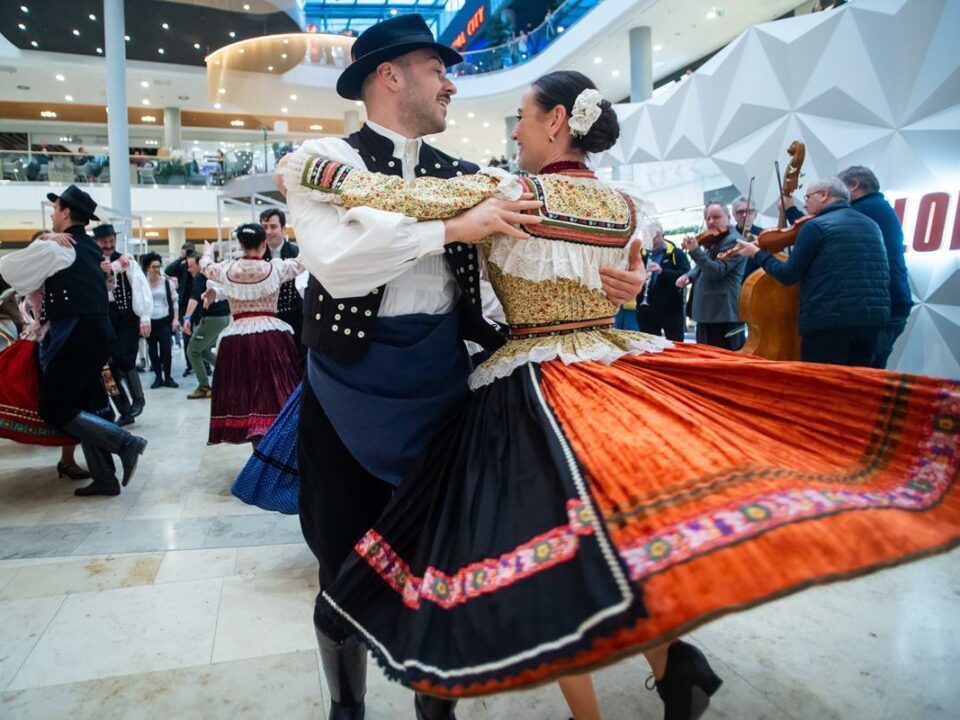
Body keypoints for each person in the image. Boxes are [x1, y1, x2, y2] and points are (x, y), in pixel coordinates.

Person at [283, 70, 960, 720]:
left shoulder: (509, 190)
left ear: (554, 122)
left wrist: (323, 174)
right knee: (622, 525)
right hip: (613, 370)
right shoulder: (630, 207)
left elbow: (411, 202)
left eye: (520, 117)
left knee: (551, 547)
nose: (513, 130)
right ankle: (674, 668)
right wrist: (630, 281)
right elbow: (632, 272)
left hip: (536, 385)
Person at [277, 17, 645, 720]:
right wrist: (449, 230)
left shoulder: (473, 177)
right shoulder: (325, 154)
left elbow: (541, 258)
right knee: (338, 561)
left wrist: (619, 279)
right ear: (391, 76)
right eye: (438, 69)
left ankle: (435, 711)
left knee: (440, 563)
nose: (453, 83)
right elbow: (338, 264)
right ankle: (345, 707)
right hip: (345, 388)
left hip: (444, 385)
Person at [0, 185, 147, 497]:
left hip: (77, 332)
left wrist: (42, 240)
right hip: (96, 331)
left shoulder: (57, 247)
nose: (52, 215)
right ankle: (105, 477)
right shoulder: (91, 247)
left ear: (66, 212)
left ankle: (124, 443)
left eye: (55, 209)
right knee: (87, 403)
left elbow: (8, 268)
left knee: (53, 406)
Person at [735, 177, 891, 366]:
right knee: (856, 387)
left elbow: (788, 275)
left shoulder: (815, 226)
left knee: (823, 388)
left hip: (829, 324)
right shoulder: (871, 225)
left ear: (824, 195)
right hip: (872, 323)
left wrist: (757, 253)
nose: (806, 203)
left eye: (808, 197)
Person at [198, 225, 302, 444]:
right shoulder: (274, 268)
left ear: (240, 245)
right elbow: (301, 263)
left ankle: (255, 442)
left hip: (237, 339)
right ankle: (275, 445)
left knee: (244, 393)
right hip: (271, 337)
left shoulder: (227, 269)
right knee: (274, 392)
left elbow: (205, 266)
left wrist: (208, 251)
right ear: (264, 245)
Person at [0, 272, 88, 479]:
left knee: (70, 401)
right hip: (41, 346)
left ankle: (68, 459)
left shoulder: (63, 279)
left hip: (54, 343)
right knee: (60, 401)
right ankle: (68, 460)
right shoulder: (24, 288)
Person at [837, 165, 913, 369]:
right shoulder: (877, 207)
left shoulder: (864, 210)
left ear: (853, 185)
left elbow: (823, 226)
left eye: (839, 191)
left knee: (862, 376)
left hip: (886, 307)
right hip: (894, 303)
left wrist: (791, 211)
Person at [94, 223, 151, 425]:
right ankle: (123, 409)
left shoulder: (126, 261)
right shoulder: (90, 262)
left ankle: (138, 398)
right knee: (106, 368)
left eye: (111, 241)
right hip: (101, 316)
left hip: (126, 315)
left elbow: (140, 286)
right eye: (104, 242)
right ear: (96, 242)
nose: (109, 245)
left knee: (123, 357)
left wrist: (144, 316)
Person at [676, 202, 746, 350]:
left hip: (722, 313)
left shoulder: (734, 241)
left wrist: (695, 251)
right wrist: (689, 275)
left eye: (716, 217)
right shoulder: (714, 241)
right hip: (708, 314)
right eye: (708, 218)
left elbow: (717, 271)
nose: (711, 222)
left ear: (728, 217)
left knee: (724, 361)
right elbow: (702, 267)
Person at [183, 254, 231, 399]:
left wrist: (186, 318)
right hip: (222, 318)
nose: (189, 270)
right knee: (202, 350)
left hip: (213, 318)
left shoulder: (201, 276)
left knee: (192, 350)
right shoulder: (212, 274)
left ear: (200, 264)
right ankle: (229, 371)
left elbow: (195, 297)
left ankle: (204, 386)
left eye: (191, 266)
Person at [259, 208, 304, 362]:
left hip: (295, 322)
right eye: (264, 227)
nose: (268, 232)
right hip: (266, 324)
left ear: (283, 229)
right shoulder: (257, 257)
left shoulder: (297, 253)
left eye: (273, 226)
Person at [637, 221, 690, 341]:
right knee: (648, 346)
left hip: (671, 309)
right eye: (647, 237)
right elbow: (631, 273)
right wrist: (640, 277)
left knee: (675, 344)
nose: (651, 240)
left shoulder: (676, 254)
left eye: (654, 236)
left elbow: (686, 275)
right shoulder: (641, 255)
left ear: (662, 235)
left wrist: (662, 271)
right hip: (647, 310)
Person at [140, 252, 179, 388]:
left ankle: (168, 376)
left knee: (166, 349)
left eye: (158, 266)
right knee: (152, 350)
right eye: (153, 267)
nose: (157, 269)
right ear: (147, 268)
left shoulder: (167, 282)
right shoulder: (143, 283)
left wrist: (175, 319)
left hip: (164, 320)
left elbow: (174, 301)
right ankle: (158, 376)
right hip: (149, 322)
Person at [165, 242, 196, 376]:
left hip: (198, 303)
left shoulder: (198, 262)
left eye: (190, 252)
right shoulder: (181, 265)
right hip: (184, 304)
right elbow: (168, 271)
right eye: (186, 251)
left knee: (200, 335)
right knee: (186, 335)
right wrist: (180, 258)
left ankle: (203, 364)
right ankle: (190, 366)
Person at [732, 194, 763, 279]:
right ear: (734, 215)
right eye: (740, 212)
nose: (744, 215)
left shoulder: (763, 234)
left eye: (749, 211)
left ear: (755, 214)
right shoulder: (729, 236)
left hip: (758, 282)